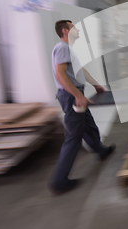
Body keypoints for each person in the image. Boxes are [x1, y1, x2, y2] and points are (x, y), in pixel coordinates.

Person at [49, 20, 115, 194]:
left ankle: (101, 151)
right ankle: (59, 181)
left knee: (89, 126)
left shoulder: (69, 49)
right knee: (74, 136)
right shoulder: (62, 48)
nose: (77, 30)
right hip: (72, 96)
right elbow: (60, 75)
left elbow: (80, 70)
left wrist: (95, 84)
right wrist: (78, 96)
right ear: (65, 31)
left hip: (75, 94)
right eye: (73, 27)